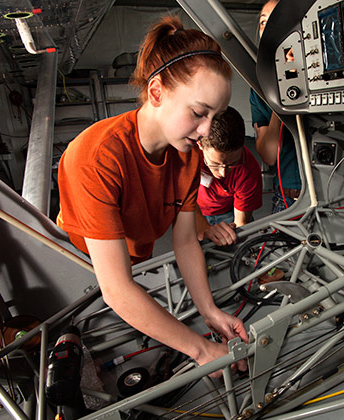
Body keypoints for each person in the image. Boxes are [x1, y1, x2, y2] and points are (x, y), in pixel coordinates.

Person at [56, 16, 248, 376]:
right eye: (198, 113)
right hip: (79, 265)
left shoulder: (186, 155)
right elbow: (115, 289)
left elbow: (187, 240)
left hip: (136, 254)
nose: (206, 130)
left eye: (215, 116)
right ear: (157, 91)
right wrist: (201, 349)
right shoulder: (97, 157)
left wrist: (209, 311)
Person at [250, 0, 301, 213]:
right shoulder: (260, 88)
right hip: (290, 195)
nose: (269, 27)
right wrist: (280, 98)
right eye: (264, 22)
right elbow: (269, 155)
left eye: (277, 19)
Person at [196, 106, 262, 244]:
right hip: (193, 211)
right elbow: (180, 202)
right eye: (215, 164)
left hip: (228, 213)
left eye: (233, 163)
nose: (223, 173)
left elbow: (241, 223)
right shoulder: (186, 156)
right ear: (200, 145)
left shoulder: (248, 169)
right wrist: (203, 226)